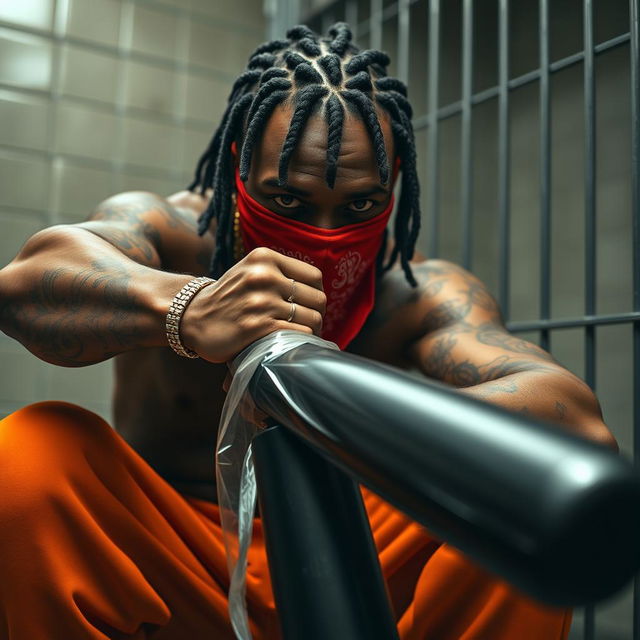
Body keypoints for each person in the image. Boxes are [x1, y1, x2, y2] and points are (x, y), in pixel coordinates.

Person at [0, 22, 616, 640]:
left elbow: (575, 424)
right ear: (239, 165)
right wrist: (189, 309)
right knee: (25, 454)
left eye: (359, 207)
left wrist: (344, 408)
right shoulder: (174, 233)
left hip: (356, 557)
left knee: (515, 494)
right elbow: (27, 284)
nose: (323, 236)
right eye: (288, 203)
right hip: (181, 561)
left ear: (393, 183)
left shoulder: (418, 294)